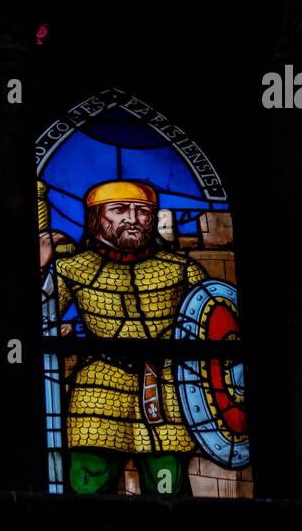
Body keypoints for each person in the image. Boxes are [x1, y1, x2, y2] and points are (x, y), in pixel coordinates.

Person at [40, 180, 206, 495]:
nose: (133, 218)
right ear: (96, 218)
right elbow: (36, 316)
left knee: (167, 481)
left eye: (142, 211)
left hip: (165, 387)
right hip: (98, 385)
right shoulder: (71, 269)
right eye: (119, 209)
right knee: (87, 479)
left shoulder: (183, 269)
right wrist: (39, 266)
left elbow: (211, 319)